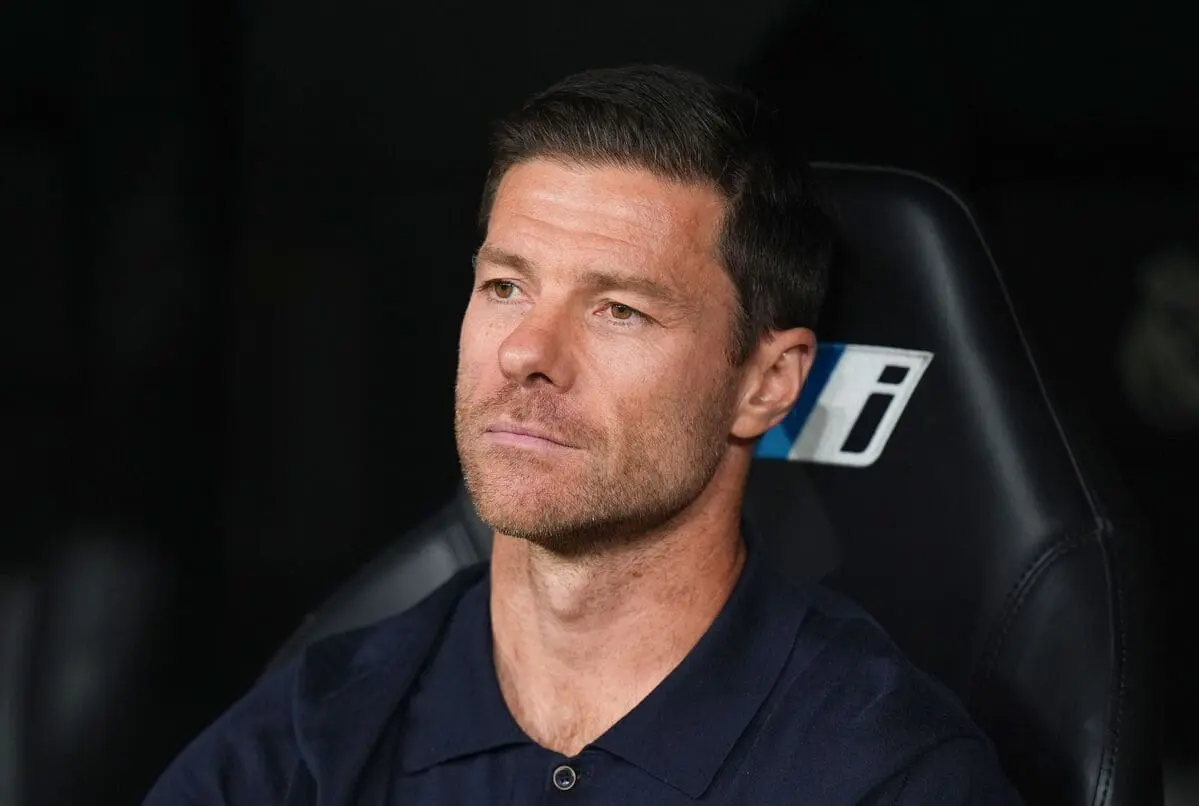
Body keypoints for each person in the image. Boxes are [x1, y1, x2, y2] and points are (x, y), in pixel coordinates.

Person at [144, 64, 1023, 805]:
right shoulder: (307, 742)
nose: (527, 351)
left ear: (764, 384)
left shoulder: (887, 775)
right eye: (505, 288)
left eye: (618, 309)